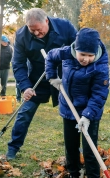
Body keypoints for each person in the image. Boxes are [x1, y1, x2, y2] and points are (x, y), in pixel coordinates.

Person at [6, 8, 77, 160]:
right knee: (24, 113)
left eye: (39, 30)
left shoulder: (65, 27)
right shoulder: (21, 35)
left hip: (63, 78)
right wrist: (25, 87)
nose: (36, 34)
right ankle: (13, 148)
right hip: (37, 80)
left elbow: (78, 50)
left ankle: (78, 150)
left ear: (46, 21)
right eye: (32, 31)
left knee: (74, 113)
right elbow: (18, 63)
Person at [45, 28, 109, 178]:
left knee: (89, 149)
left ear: (96, 53)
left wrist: (87, 116)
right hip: (68, 108)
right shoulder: (66, 52)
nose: (86, 59)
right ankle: (75, 175)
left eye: (90, 55)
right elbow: (50, 57)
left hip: (90, 113)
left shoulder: (100, 66)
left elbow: (99, 94)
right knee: (71, 145)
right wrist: (52, 77)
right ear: (75, 49)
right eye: (83, 54)